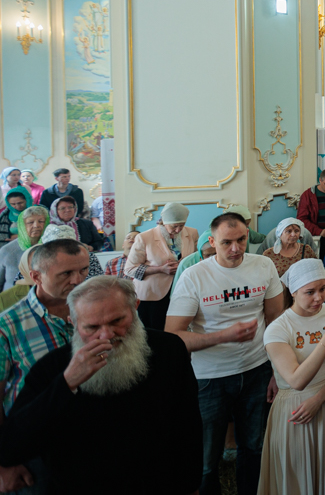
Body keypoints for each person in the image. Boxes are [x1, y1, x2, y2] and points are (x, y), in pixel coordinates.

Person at [0, 275, 202, 494]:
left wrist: (191, 485)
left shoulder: (169, 349)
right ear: (74, 323)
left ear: (135, 308)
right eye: (92, 327)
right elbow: (12, 446)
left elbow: (188, 424)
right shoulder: (53, 368)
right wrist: (67, 384)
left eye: (117, 321)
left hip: (160, 483)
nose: (107, 335)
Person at [165, 212, 285, 495]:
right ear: (211, 241)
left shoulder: (263, 265)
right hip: (209, 378)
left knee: (254, 447)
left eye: (241, 240)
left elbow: (277, 321)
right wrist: (223, 336)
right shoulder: (194, 275)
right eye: (227, 242)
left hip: (256, 371)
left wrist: (276, 372)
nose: (236, 249)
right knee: (207, 458)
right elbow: (173, 337)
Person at [0, 237, 89, 490]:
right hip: (35, 451)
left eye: (83, 270)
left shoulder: (92, 312)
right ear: (36, 276)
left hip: (90, 441)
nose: (78, 280)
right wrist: (4, 464)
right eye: (66, 273)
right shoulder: (7, 327)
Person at [260, 259, 325, 493]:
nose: (318, 297)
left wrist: (319, 399)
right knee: (298, 476)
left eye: (323, 288)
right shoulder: (278, 329)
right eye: (310, 292)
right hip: (296, 409)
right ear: (293, 291)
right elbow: (297, 380)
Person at [126, 202, 199, 331]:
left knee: (177, 331)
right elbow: (130, 269)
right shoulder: (145, 237)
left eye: (181, 226)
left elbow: (195, 258)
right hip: (152, 295)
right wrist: (160, 269)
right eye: (174, 226)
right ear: (164, 222)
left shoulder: (192, 233)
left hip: (181, 290)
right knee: (155, 332)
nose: (178, 230)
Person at [0, 206, 48, 292]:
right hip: (12, 301)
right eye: (30, 222)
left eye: (41, 221)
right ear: (21, 225)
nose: (36, 225)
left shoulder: (52, 248)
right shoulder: (7, 251)